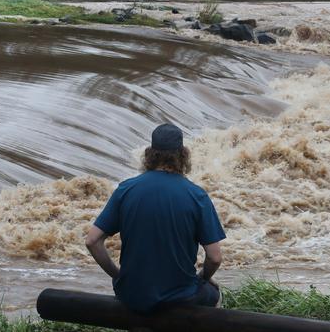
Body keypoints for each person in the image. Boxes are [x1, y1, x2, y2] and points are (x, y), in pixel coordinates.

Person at [85, 123, 226, 314]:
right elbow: (215, 257)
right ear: (183, 155)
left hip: (131, 295)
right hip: (181, 297)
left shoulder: (126, 190)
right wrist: (203, 277)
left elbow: (92, 241)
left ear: (149, 154)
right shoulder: (197, 195)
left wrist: (118, 276)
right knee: (214, 293)